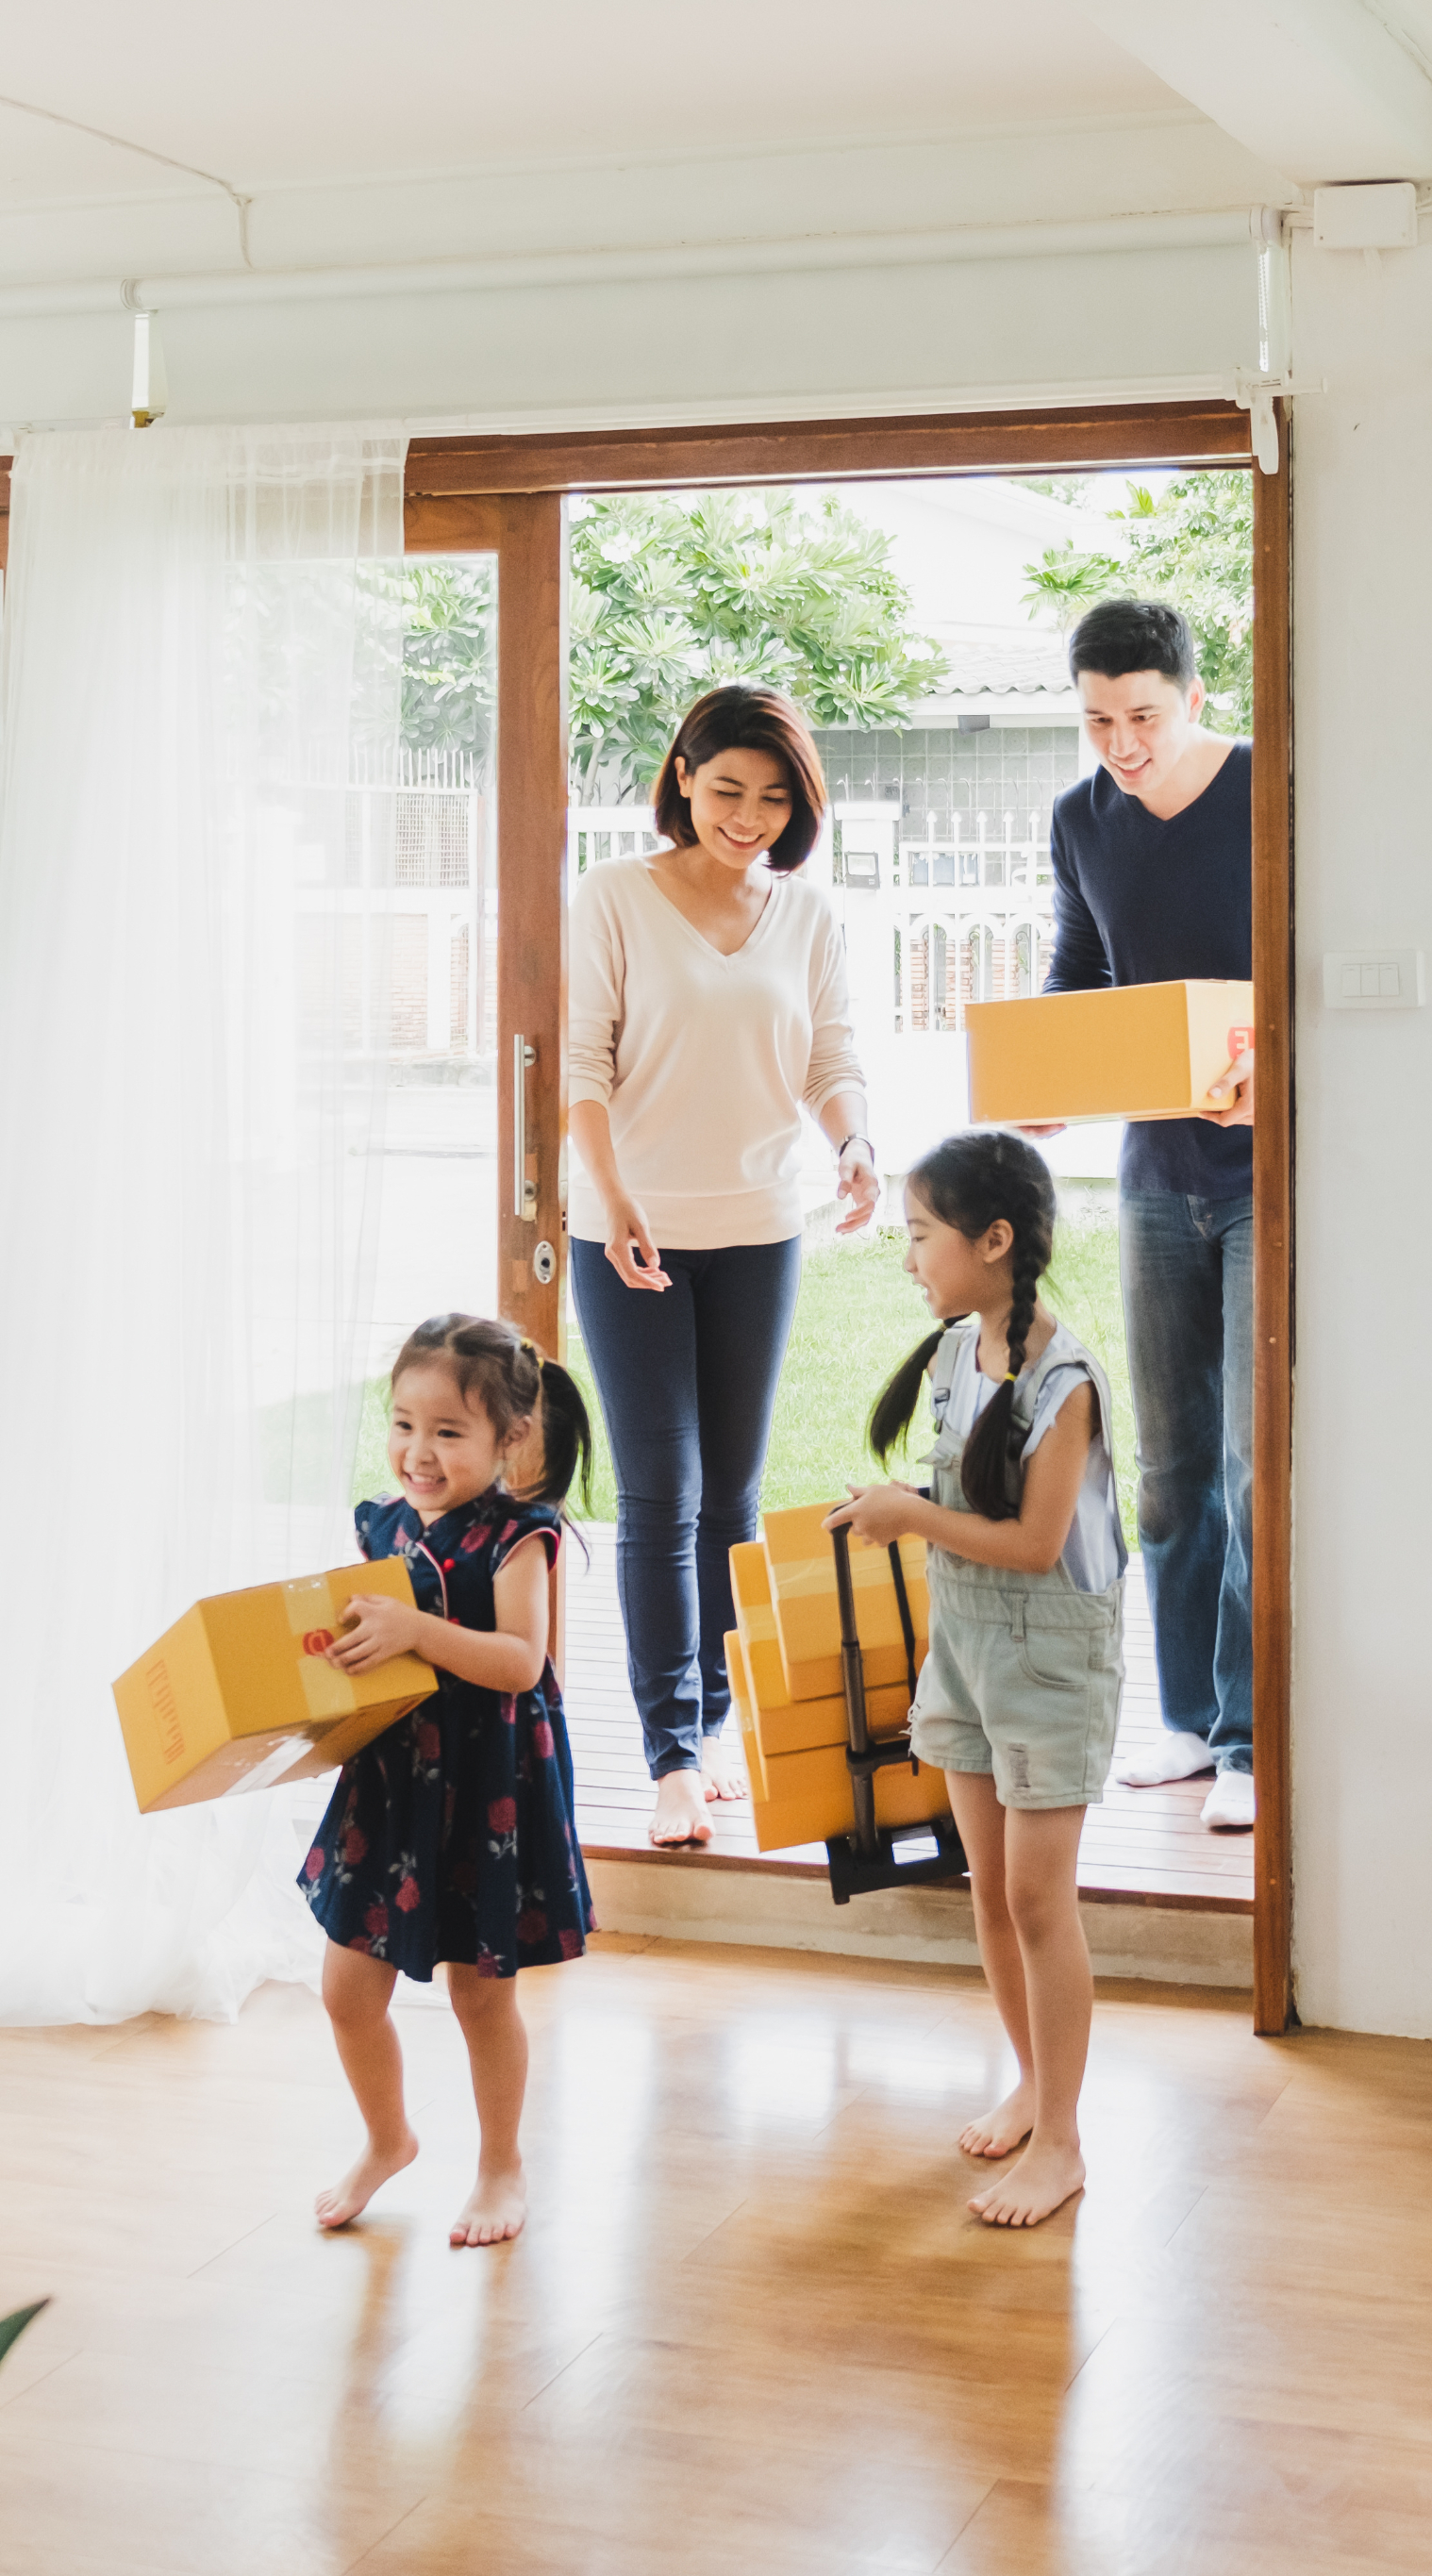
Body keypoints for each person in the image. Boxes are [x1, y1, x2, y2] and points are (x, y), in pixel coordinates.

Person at [564, 683, 879, 1849]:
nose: (746, 817)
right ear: (683, 777)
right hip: (630, 1232)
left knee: (733, 1494)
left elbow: (830, 1054)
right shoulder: (613, 897)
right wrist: (616, 1195)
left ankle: (717, 1714)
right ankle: (671, 1756)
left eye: (772, 797)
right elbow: (583, 1067)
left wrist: (851, 1142)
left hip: (758, 1223)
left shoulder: (807, 916)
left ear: (798, 807)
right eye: (727, 790)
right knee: (661, 1492)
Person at [833, 1132, 1122, 2230]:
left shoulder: (1066, 1380)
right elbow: (965, 1505)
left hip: (1051, 1661)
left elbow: (1038, 1542)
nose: (909, 1258)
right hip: (964, 1651)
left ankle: (1063, 2141)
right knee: (994, 1891)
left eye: (920, 1235)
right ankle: (1036, 2086)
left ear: (993, 1241)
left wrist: (910, 1517)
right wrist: (893, 1506)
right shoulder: (959, 1351)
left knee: (1041, 1901)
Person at [302, 1313, 595, 2249]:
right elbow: (357, 1640)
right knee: (347, 1988)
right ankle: (388, 2137)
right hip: (392, 1785)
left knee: (480, 1992)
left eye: (446, 1431)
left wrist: (417, 1631)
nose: (416, 1452)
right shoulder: (379, 1524)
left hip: (487, 1789)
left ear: (508, 1438)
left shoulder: (520, 1537)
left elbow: (522, 1661)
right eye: (401, 1423)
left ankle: (502, 2164)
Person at [1040, 598, 1257, 1833]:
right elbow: (1081, 966)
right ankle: (1181, 1719)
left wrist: (1265, 1058)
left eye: (1143, 717)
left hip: (1261, 1173)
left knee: (1242, 1458)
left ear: (1192, 694)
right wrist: (1051, 1077)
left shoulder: (1261, 788)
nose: (1122, 743)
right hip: (1153, 1177)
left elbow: (1306, 953)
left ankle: (1245, 1732)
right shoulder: (1082, 818)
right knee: (1169, 1466)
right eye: (1097, 721)